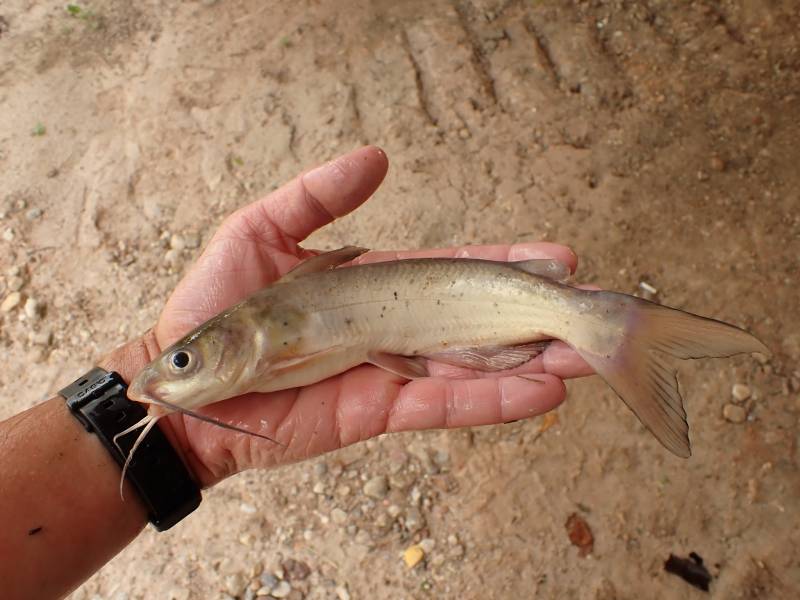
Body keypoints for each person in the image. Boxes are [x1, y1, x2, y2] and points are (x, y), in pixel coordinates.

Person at [0, 146, 590, 599]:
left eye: (182, 359)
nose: (158, 381)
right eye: (180, 359)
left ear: (246, 337)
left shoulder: (265, 325)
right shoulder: (250, 342)